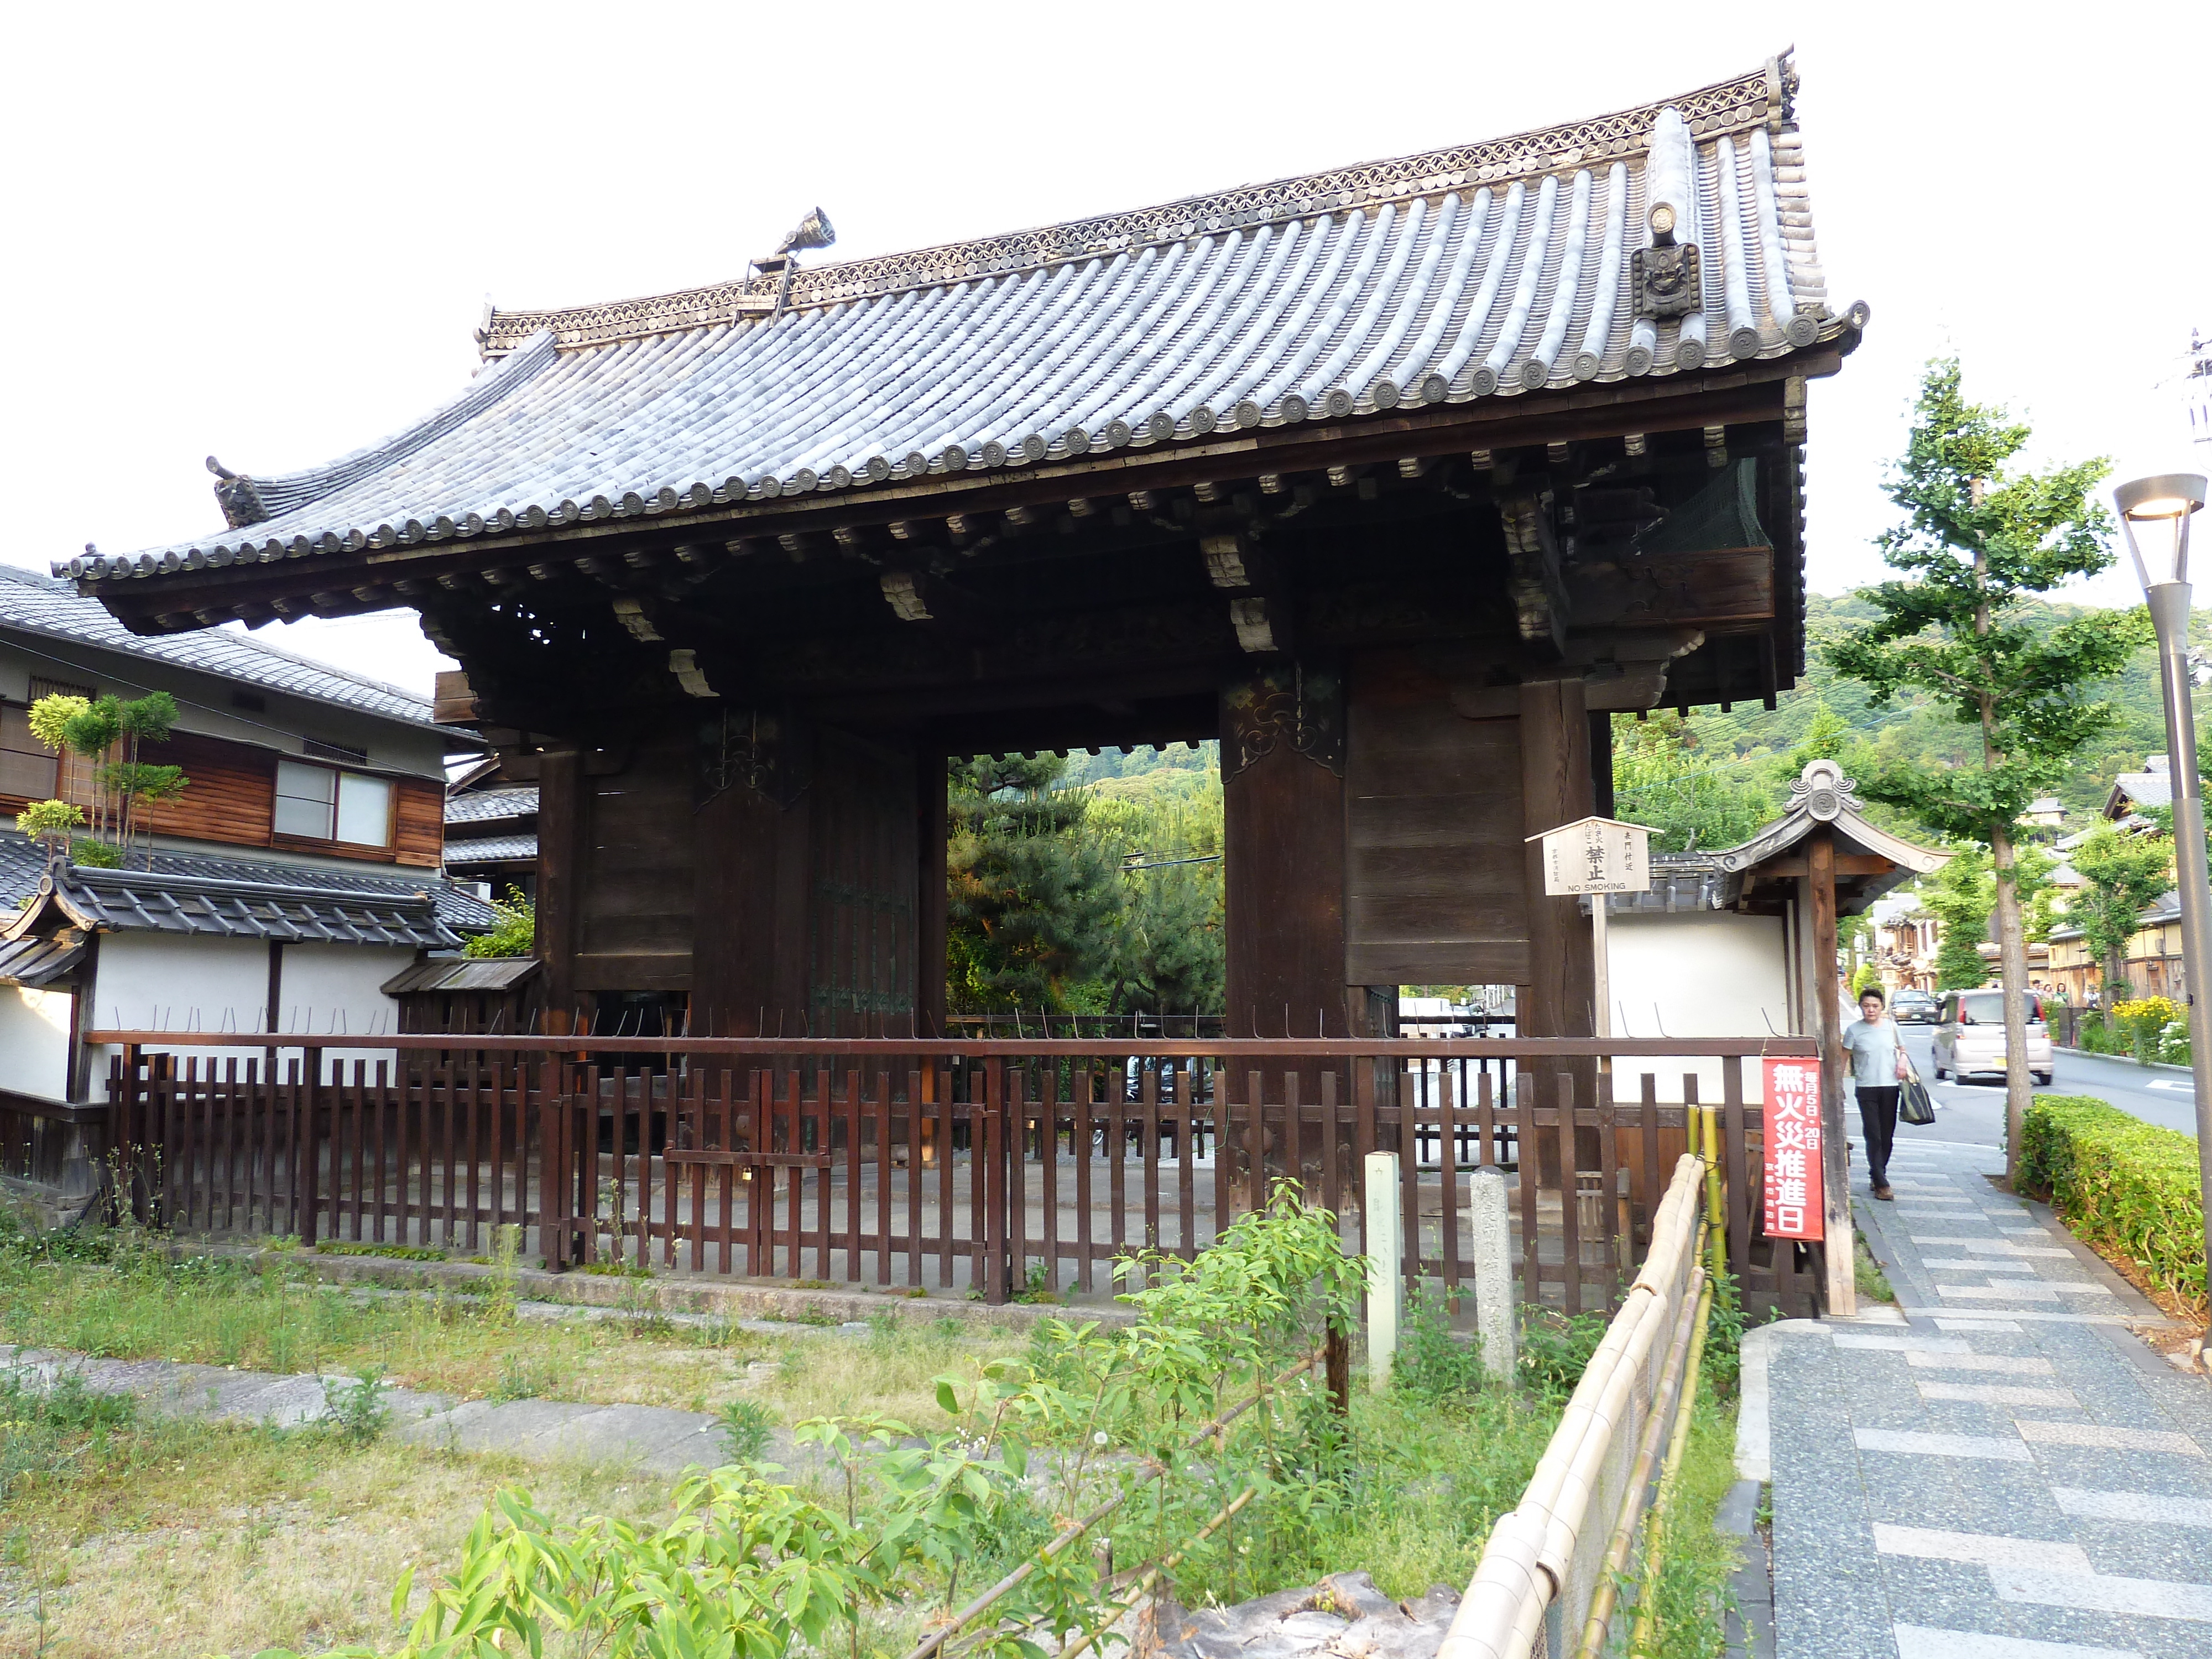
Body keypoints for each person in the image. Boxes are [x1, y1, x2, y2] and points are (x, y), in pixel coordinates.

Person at [1841, 986, 1905, 1200]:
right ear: (1860, 1007)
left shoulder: (1891, 1027)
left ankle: (1877, 1172)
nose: (1871, 1010)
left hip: (1890, 1086)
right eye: (1866, 1006)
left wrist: (1902, 1061)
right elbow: (1843, 1058)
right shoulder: (1854, 1031)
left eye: (1875, 1006)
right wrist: (1837, 1084)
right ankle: (1881, 1184)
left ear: (1882, 1007)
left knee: (1887, 1136)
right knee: (1873, 1134)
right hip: (1866, 1087)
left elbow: (1902, 1050)